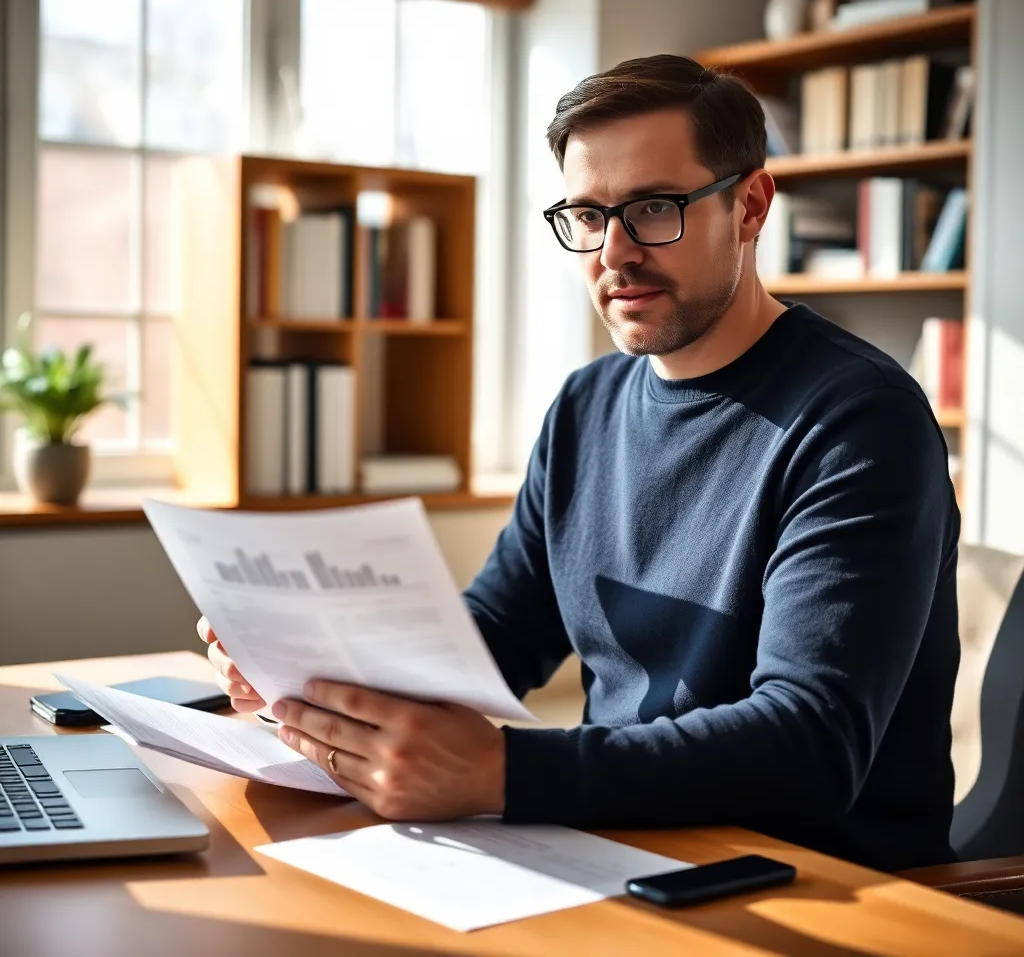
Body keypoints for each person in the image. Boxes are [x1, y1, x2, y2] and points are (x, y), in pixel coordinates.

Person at [200, 54, 960, 873]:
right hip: (617, 847)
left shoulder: (859, 420)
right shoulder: (586, 406)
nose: (614, 252)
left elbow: (810, 743)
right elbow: (496, 635)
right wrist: (315, 672)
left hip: (811, 885)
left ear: (750, 205)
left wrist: (502, 772)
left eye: (654, 209)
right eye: (589, 216)